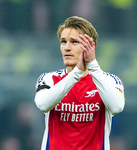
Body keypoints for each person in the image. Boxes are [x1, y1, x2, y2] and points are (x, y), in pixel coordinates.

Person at [34, 16, 125, 150]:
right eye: (63, 42)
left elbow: (117, 107)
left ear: (91, 46)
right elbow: (43, 104)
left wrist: (92, 66)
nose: (67, 47)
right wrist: (76, 73)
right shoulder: (49, 79)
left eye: (74, 42)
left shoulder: (109, 80)